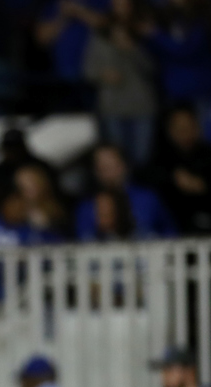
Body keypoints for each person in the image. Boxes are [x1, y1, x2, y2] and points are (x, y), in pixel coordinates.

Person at [83, 0, 157, 168]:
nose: (122, 5)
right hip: (112, 107)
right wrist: (102, 74)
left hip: (142, 106)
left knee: (142, 160)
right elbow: (88, 69)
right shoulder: (100, 34)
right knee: (117, 161)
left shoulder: (145, 30)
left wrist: (131, 48)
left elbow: (153, 68)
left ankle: (139, 193)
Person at [76, 143, 177, 239]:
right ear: (95, 172)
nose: (108, 173)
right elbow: (82, 240)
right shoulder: (87, 206)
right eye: (102, 167)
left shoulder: (147, 198)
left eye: (112, 166)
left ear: (124, 166)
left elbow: (171, 232)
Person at [152, 104, 211, 234]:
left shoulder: (208, 154)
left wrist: (203, 185)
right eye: (179, 127)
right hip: (176, 230)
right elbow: (146, 179)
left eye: (188, 126)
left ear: (197, 127)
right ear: (169, 130)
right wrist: (173, 179)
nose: (184, 131)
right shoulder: (161, 158)